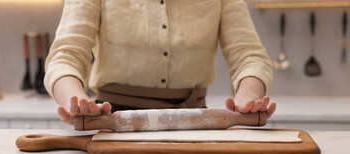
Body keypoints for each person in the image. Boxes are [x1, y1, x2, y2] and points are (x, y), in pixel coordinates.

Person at [45, 0, 276, 125]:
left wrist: (248, 96)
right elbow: (66, 55)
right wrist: (76, 101)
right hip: (111, 122)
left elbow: (249, 55)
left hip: (193, 125)